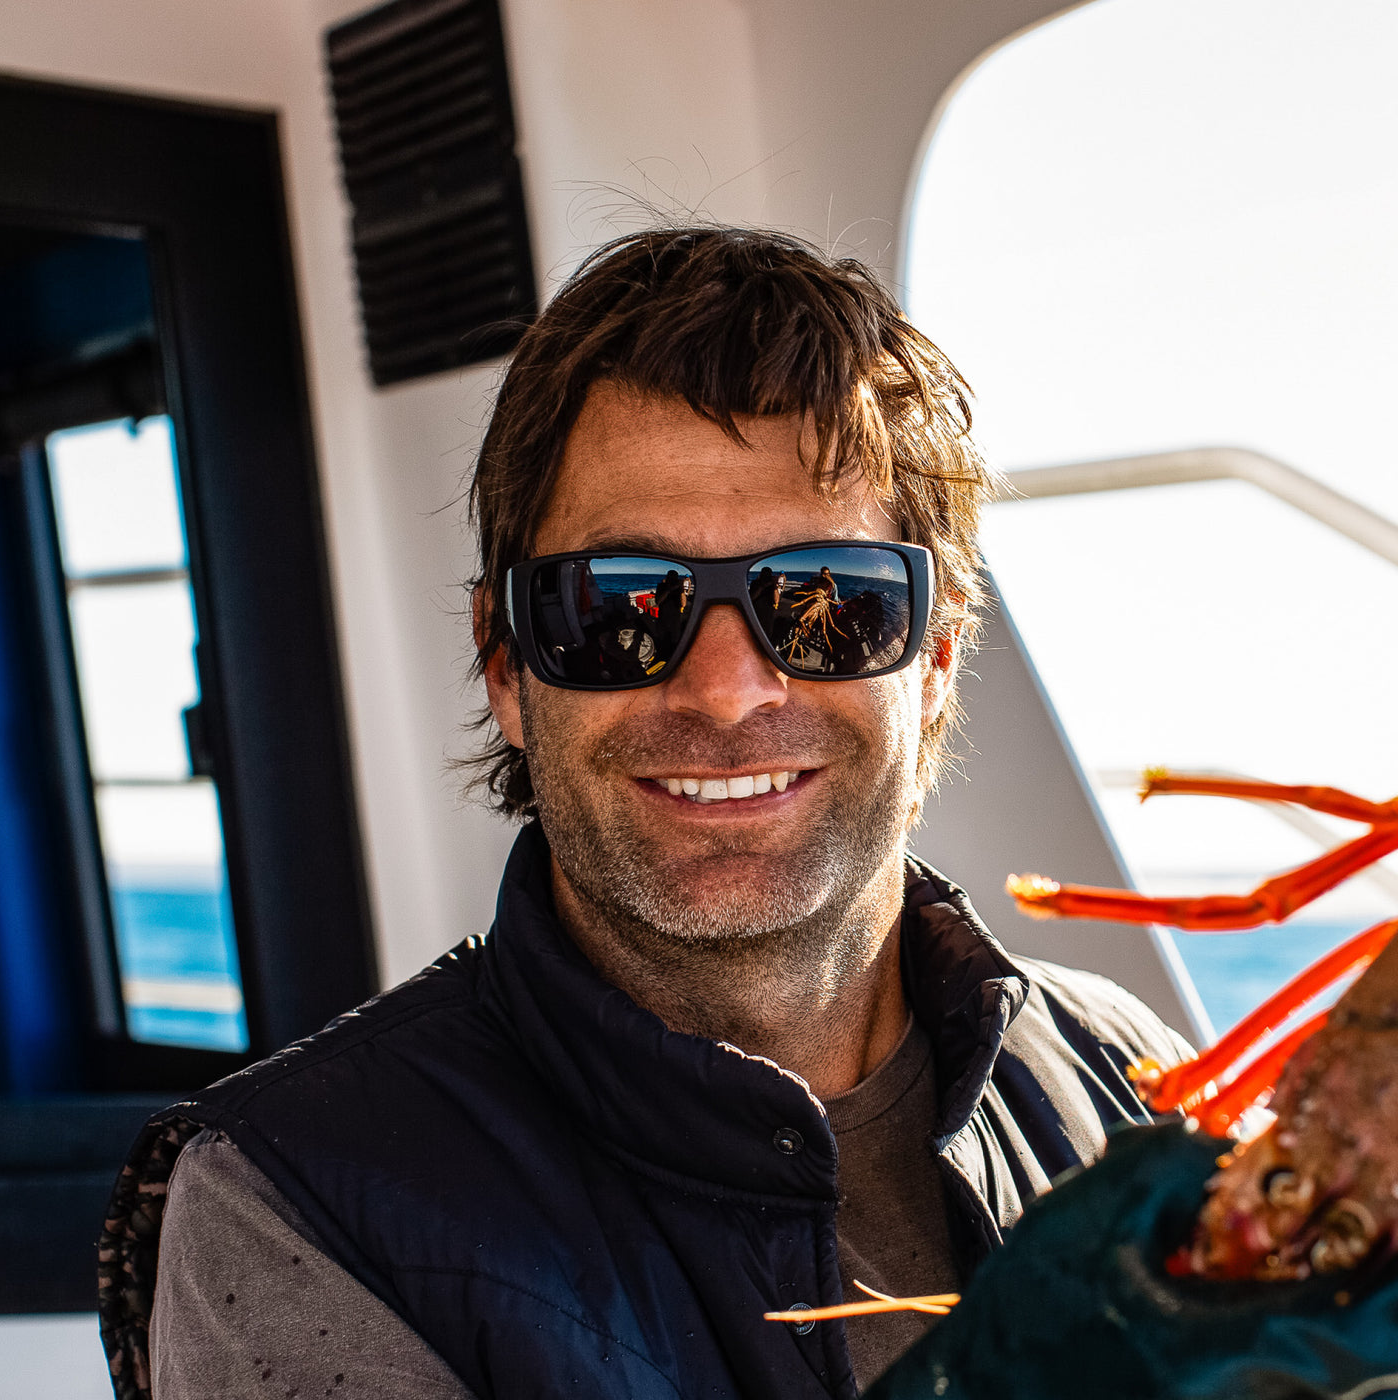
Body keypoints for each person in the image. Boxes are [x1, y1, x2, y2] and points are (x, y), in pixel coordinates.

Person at [98, 227, 1192, 1400]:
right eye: (618, 607)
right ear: (506, 664)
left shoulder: (1126, 1067)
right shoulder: (288, 1202)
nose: (725, 690)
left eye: (825, 606)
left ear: (932, 658)